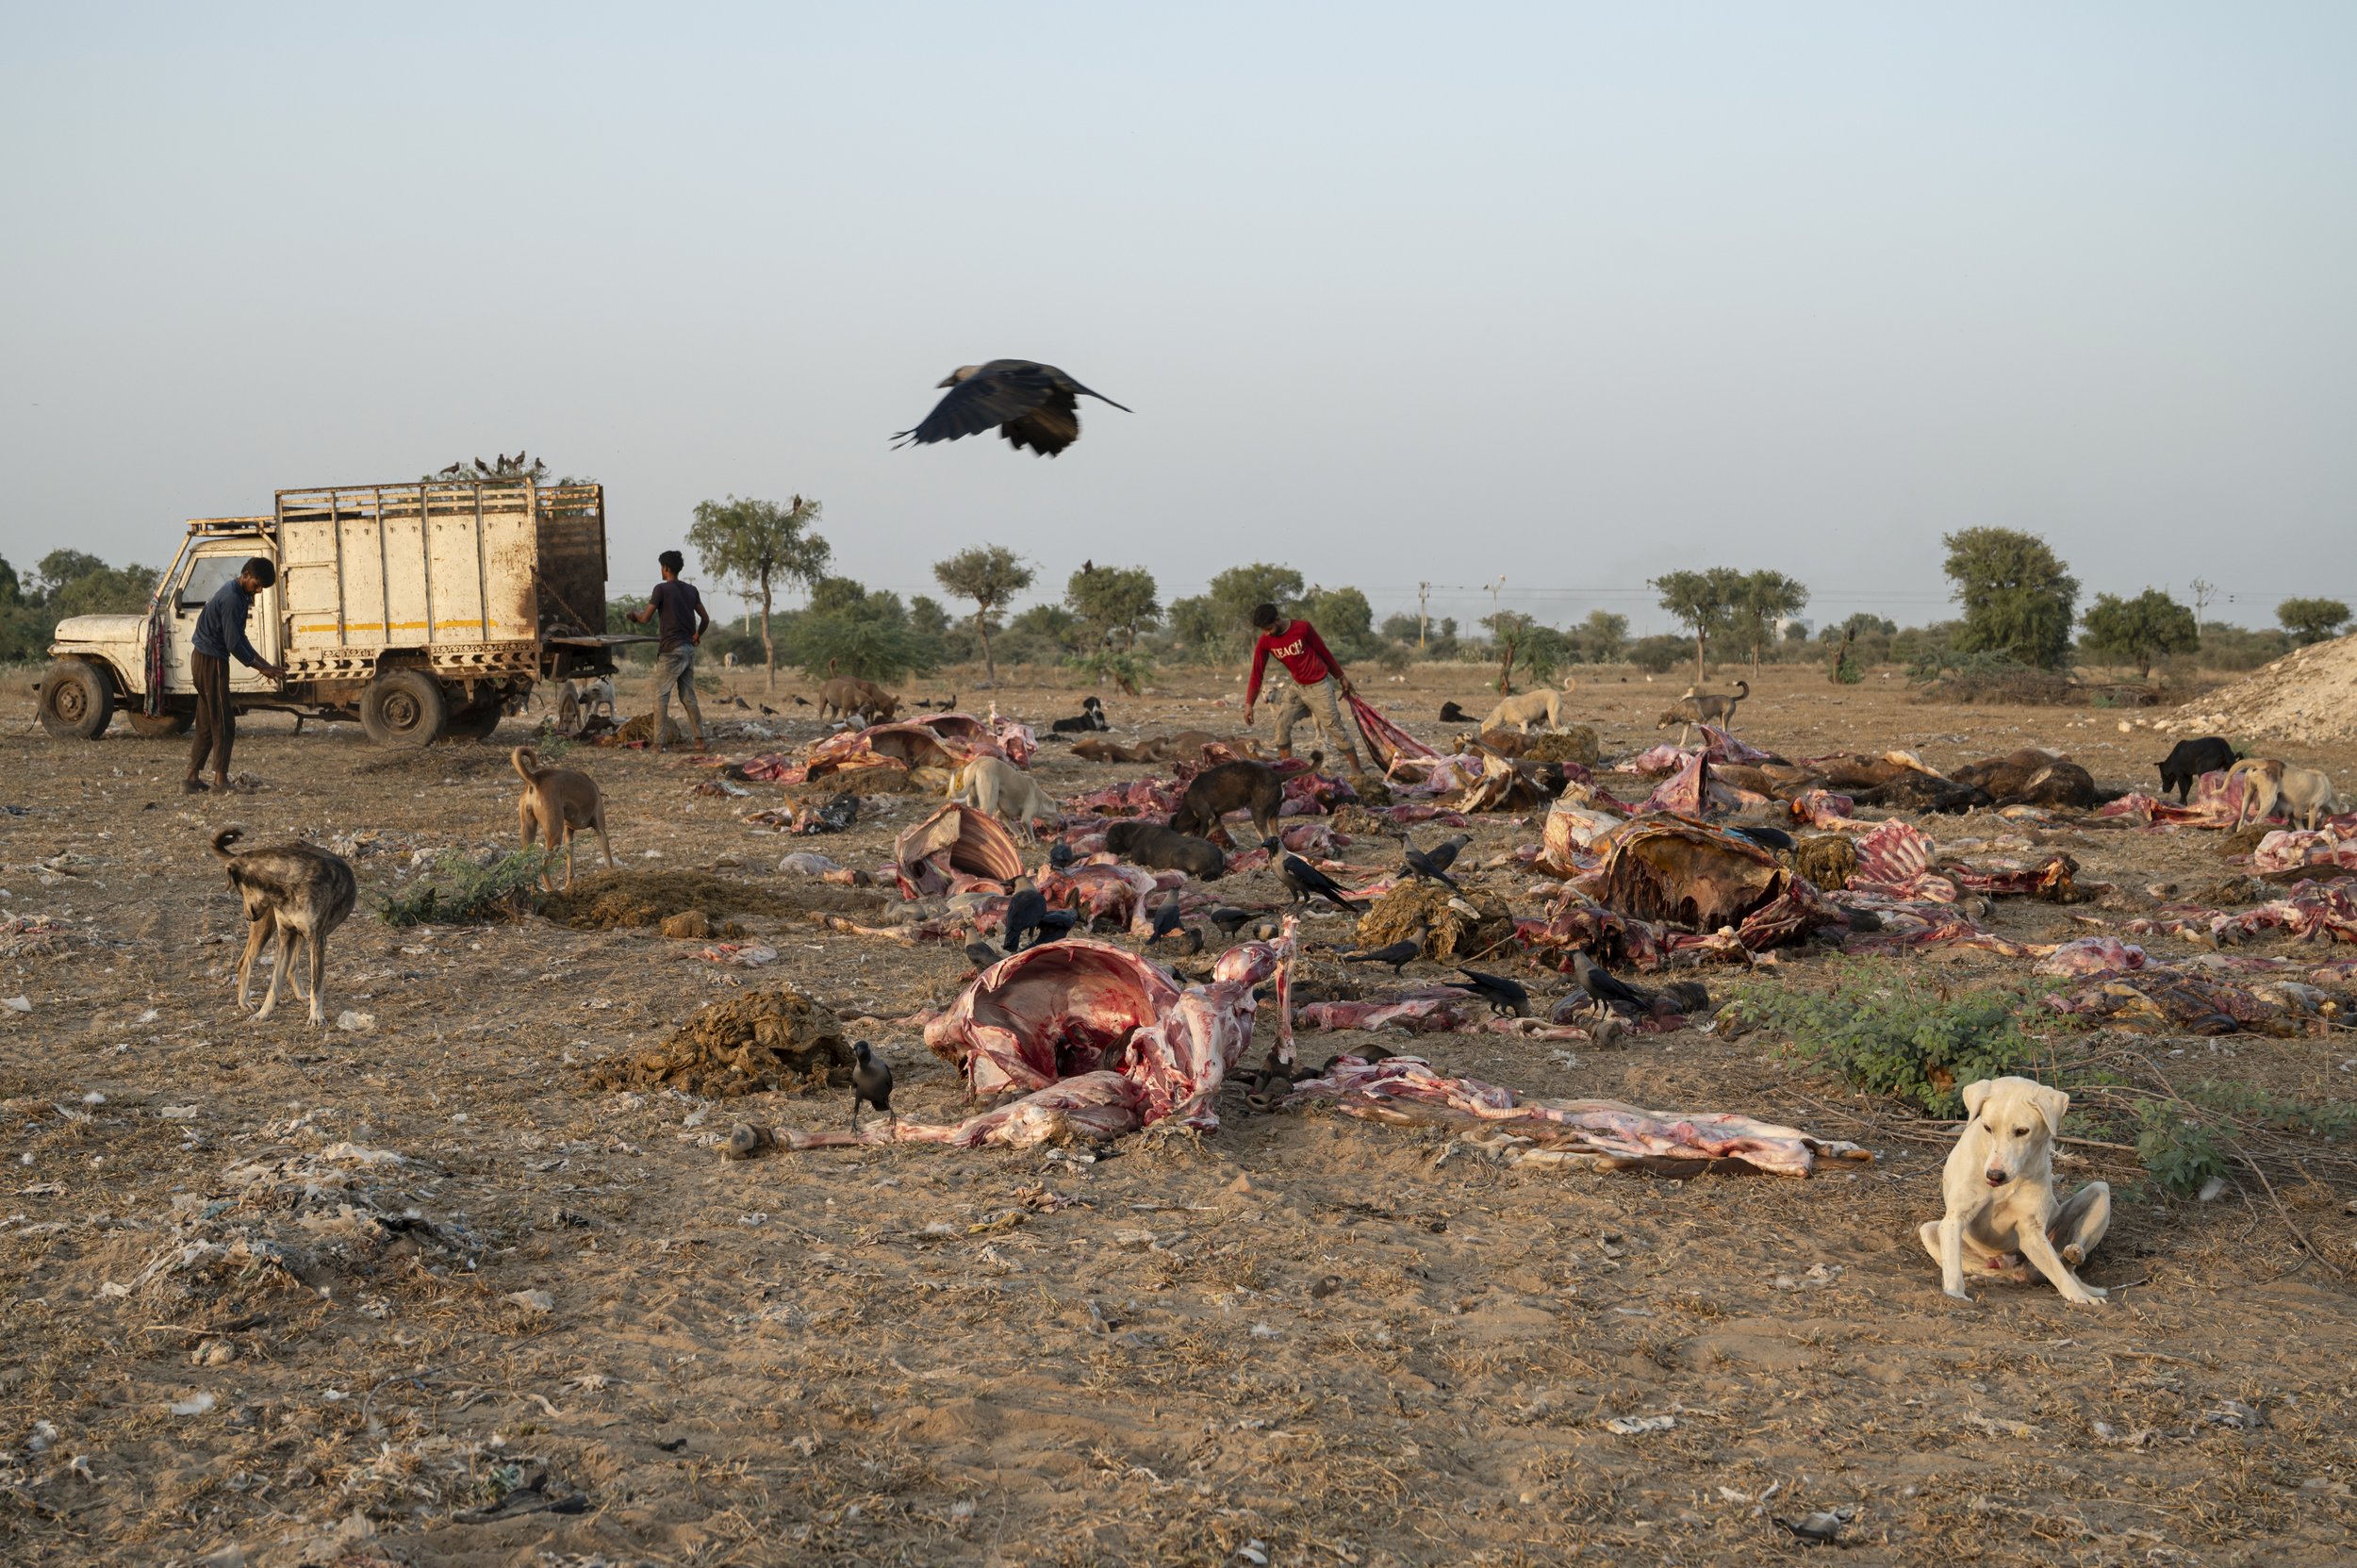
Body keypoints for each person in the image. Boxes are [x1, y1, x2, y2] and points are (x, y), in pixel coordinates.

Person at [184, 556, 284, 794]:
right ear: (246, 575)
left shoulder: (237, 594)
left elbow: (240, 637)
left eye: (261, 588)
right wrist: (259, 667)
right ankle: (220, 781)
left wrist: (264, 663)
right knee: (224, 723)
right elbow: (232, 643)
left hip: (203, 659)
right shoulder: (232, 599)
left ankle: (191, 778)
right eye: (256, 584)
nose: (258, 591)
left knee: (207, 722)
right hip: (212, 661)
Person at [1242, 602, 1365, 777]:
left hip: (1319, 686)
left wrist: (1341, 677)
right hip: (1297, 687)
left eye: (1269, 628)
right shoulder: (1265, 641)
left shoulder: (1303, 628)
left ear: (1277, 620)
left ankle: (1357, 770)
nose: (1267, 633)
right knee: (1281, 725)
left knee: (1334, 727)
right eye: (1264, 630)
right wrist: (1249, 703)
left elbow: (1324, 652)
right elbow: (1256, 673)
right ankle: (1287, 771)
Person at [629, 549, 710, 751]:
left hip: (671, 650)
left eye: (661, 568)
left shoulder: (661, 589)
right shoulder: (692, 590)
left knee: (661, 695)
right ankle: (700, 739)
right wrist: (698, 634)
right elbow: (705, 618)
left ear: (665, 568)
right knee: (687, 695)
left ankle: (659, 743)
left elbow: (645, 618)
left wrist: (633, 615)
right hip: (688, 649)